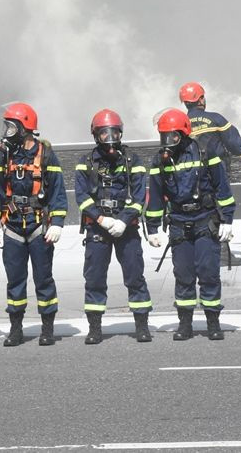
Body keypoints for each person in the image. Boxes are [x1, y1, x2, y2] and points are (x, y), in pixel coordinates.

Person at [145, 108, 236, 341]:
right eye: (163, 136)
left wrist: (227, 219)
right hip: (178, 223)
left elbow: (222, 188)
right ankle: (184, 324)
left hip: (205, 220)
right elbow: (155, 197)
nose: (167, 142)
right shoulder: (160, 161)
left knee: (208, 273)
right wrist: (152, 228)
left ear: (183, 133)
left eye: (172, 136)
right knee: (183, 275)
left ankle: (212, 323)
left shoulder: (206, 153)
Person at [0, 102, 68, 347]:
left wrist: (58, 222)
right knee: (15, 280)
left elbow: (57, 190)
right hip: (12, 225)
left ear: (25, 127)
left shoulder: (45, 153)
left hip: (38, 226)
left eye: (11, 126)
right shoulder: (6, 153)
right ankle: (16, 328)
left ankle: (47, 328)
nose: (7, 131)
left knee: (44, 279)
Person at [74, 109, 153, 344]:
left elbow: (140, 197)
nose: (110, 138)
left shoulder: (133, 160)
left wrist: (124, 220)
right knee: (95, 278)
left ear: (121, 133)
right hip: (98, 228)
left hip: (126, 228)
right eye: (104, 133)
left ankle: (141, 326)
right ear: (95, 135)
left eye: (114, 133)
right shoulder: (86, 162)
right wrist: (101, 219)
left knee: (135, 276)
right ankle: (95, 328)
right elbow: (82, 197)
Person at [180, 81, 241, 267]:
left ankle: (195, 250)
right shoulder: (216, 119)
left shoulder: (181, 123)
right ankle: (221, 252)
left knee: (198, 212)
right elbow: (233, 141)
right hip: (216, 173)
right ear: (201, 99)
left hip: (190, 178)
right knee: (220, 209)